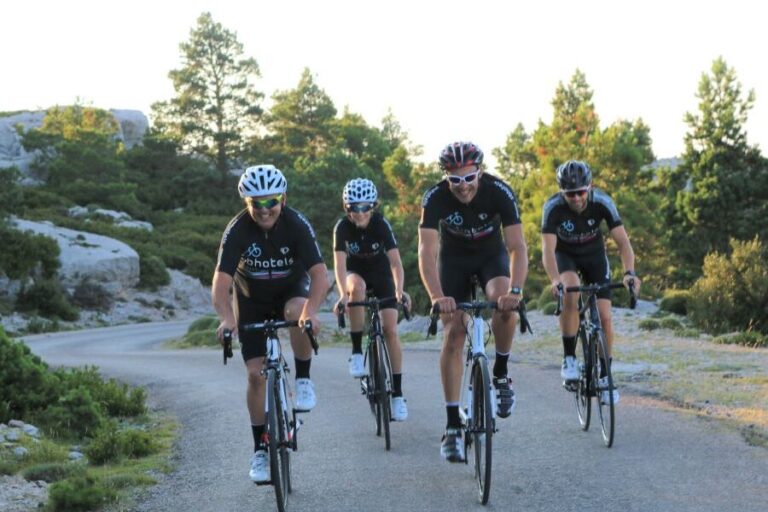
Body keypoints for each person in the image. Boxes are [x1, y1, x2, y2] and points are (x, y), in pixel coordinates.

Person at [212, 164, 329, 483]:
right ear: (247, 203)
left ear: (283, 198)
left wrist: (312, 311)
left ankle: (303, 379)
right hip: (251, 299)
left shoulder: (296, 224)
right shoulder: (237, 230)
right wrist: (227, 318)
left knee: (297, 313)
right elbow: (221, 282)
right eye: (256, 204)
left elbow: (320, 275)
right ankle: (260, 449)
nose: (265, 210)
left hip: (291, 291)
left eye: (271, 202)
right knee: (254, 375)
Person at [418, 141, 528, 462]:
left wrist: (516, 292)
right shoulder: (434, 198)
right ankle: (453, 425)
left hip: (489, 256)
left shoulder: (499, 191)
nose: (463, 186)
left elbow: (517, 247)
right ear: (446, 178)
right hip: (453, 261)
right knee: (454, 333)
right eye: (455, 180)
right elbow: (427, 252)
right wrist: (437, 296)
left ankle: (501, 373)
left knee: (503, 303)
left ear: (480, 171)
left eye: (469, 178)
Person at [541, 160, 641, 405]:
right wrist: (555, 280)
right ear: (561, 191)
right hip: (565, 257)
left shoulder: (602, 202)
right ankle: (569, 358)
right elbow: (547, 249)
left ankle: (606, 375)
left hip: (594, 256)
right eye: (570, 194)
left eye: (581, 192)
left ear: (590, 187)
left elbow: (623, 243)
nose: (575, 198)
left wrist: (629, 272)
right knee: (571, 290)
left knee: (605, 316)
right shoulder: (552, 207)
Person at [333, 178, 411, 421]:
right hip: (355, 274)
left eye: (365, 207)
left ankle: (397, 394)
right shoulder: (342, 228)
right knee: (357, 287)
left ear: (373, 207)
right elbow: (339, 264)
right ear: (347, 208)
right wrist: (343, 296)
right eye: (353, 208)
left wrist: (399, 290)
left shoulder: (381, 225)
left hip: (381, 274)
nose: (359, 213)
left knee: (390, 330)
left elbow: (396, 263)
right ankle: (357, 351)